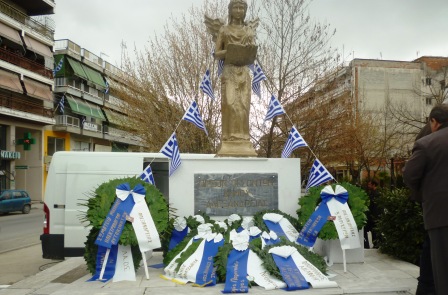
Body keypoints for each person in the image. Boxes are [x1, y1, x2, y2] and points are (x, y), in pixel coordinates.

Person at [403, 104, 448, 295]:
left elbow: (409, 176)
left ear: (434, 122)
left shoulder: (427, 143)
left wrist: (424, 195)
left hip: (440, 217)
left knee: (442, 273)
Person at [213, 0, 258, 157]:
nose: (238, 10)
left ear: (244, 11)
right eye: (235, 7)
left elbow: (253, 51)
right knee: (230, 104)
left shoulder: (248, 31)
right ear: (230, 10)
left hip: (243, 71)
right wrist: (230, 51)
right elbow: (216, 53)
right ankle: (229, 138)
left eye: (241, 8)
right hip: (229, 71)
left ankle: (244, 138)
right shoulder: (224, 30)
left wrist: (249, 51)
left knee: (244, 106)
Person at [412, 122, 435, 295]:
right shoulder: (429, 139)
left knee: (431, 256)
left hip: (433, 210)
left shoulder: (427, 140)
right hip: (433, 209)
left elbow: (411, 176)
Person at [364, 179, 379, 249]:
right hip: (372, 216)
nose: (368, 186)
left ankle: (368, 245)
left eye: (370, 184)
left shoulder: (375, 194)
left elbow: (374, 207)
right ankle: (372, 244)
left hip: (373, 216)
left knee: (373, 231)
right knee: (373, 231)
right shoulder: (372, 193)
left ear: (374, 185)